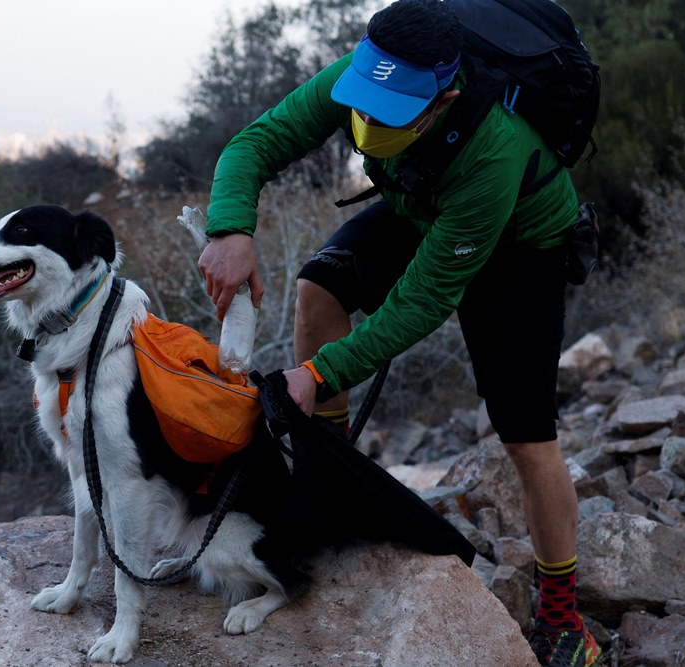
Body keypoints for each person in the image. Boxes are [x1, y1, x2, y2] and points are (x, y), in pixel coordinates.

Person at [197, 0, 600, 665]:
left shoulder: (494, 146)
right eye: (366, 98)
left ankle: (561, 617)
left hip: (521, 243)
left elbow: (423, 300)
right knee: (318, 288)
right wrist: (230, 228)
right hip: (424, 205)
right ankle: (326, 484)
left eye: (393, 107)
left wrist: (320, 373)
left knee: (527, 438)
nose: (370, 117)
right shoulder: (364, 76)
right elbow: (257, 142)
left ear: (445, 96)